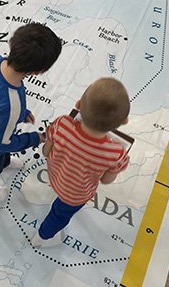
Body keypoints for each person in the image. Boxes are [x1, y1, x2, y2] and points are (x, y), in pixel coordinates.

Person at [0, 23, 62, 203]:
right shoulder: (11, 103)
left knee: (2, 156)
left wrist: (21, 113)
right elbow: (2, 143)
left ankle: (5, 162)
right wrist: (36, 138)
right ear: (38, 71)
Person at [32, 78, 130, 247]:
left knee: (59, 201)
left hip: (55, 176)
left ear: (78, 104)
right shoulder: (116, 152)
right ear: (124, 121)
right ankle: (42, 237)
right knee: (59, 216)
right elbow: (106, 180)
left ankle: (45, 230)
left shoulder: (62, 123)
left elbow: (46, 151)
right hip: (75, 195)